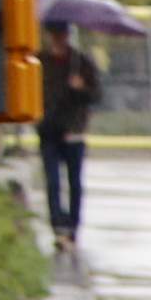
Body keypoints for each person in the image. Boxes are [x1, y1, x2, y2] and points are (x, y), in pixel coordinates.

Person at [34, 19, 100, 254]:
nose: (58, 38)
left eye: (62, 34)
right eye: (55, 34)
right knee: (52, 181)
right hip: (49, 129)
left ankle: (73, 227)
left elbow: (96, 95)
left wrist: (80, 87)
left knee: (74, 183)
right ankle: (58, 226)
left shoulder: (81, 63)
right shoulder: (40, 61)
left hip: (73, 130)